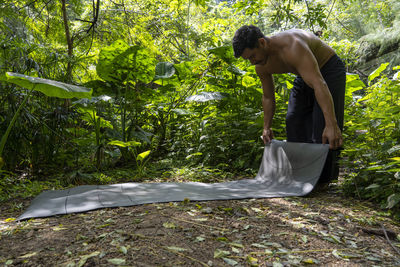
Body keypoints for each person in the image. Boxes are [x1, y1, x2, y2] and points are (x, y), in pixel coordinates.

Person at [232, 25, 346, 184]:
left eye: (253, 56)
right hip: (304, 73)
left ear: (262, 42)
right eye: (248, 59)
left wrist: (331, 123)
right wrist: (266, 127)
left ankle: (322, 181)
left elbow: (319, 83)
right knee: (293, 119)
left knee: (324, 126)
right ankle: (301, 174)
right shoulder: (260, 65)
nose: (252, 62)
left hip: (328, 69)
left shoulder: (293, 47)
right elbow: (268, 97)